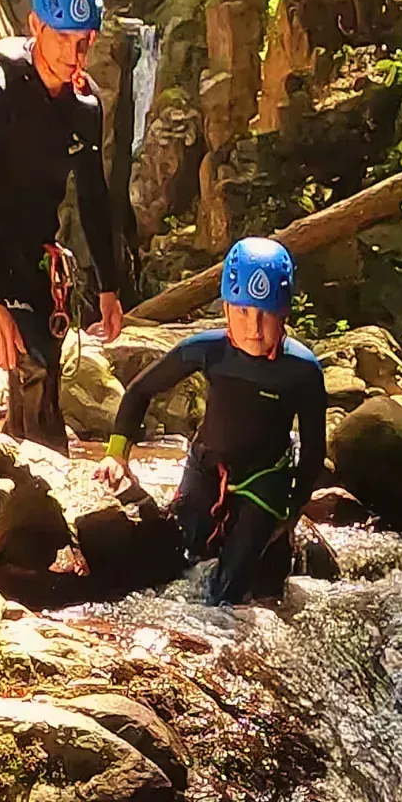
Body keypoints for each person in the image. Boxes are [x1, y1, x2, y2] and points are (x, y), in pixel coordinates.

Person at [94, 236, 327, 606]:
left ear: (284, 314)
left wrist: (291, 512)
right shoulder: (207, 351)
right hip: (206, 466)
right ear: (225, 309)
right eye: (244, 312)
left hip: (266, 480)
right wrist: (116, 454)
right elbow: (139, 391)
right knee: (173, 561)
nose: (254, 327)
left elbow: (314, 453)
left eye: (266, 314)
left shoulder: (302, 371)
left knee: (226, 593)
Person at [0, 0, 125, 453]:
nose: (76, 55)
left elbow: (94, 195)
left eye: (85, 41)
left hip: (36, 250)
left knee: (42, 364)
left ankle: (21, 472)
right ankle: (50, 487)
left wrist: (108, 287)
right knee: (33, 362)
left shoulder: (85, 105)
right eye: (63, 38)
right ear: (35, 25)